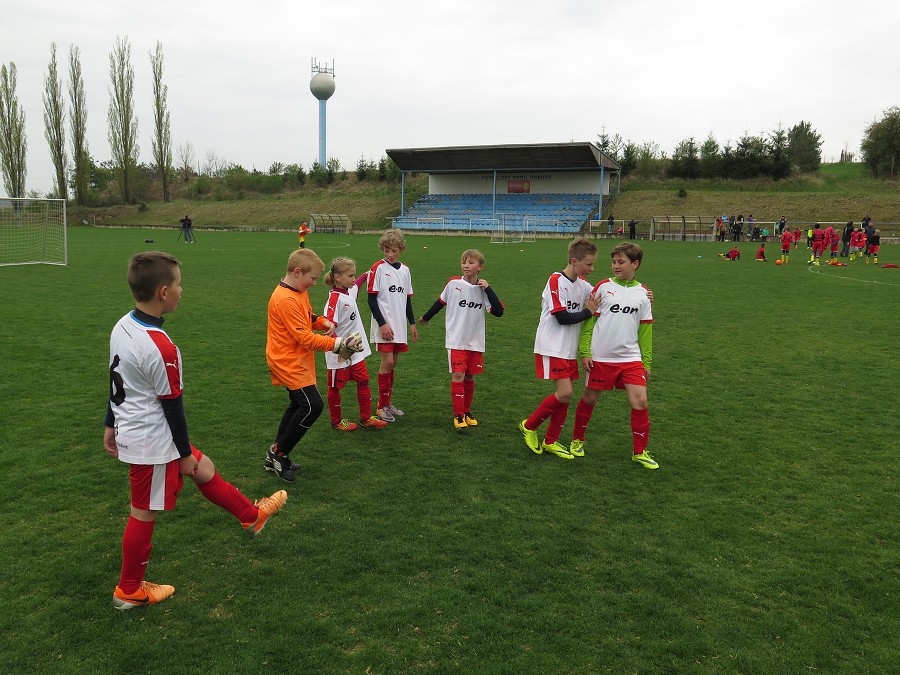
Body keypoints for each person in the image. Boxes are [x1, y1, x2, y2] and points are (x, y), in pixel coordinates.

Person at [104, 251, 288, 610]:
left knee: (205, 469)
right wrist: (182, 452)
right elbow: (172, 407)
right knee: (143, 511)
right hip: (152, 441)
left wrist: (109, 423)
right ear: (162, 292)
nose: (181, 290)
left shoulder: (123, 324)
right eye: (177, 285)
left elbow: (116, 379)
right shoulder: (162, 347)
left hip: (136, 428)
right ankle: (128, 590)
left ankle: (252, 517)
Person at [265, 248, 365, 482]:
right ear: (298, 272)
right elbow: (305, 338)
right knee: (312, 406)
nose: (313, 284)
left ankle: (276, 455)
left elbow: (306, 316)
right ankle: (279, 453)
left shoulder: (297, 291)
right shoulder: (285, 298)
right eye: (312, 279)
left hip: (296, 359)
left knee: (298, 404)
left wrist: (322, 321)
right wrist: (339, 343)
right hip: (286, 361)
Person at [571, 242, 657, 469]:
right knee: (590, 399)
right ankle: (577, 439)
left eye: (621, 262)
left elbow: (646, 330)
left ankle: (640, 451)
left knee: (640, 401)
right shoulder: (602, 287)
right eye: (614, 262)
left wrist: (646, 362)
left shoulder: (643, 295)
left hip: (630, 359)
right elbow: (589, 322)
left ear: (635, 264)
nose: (616, 266)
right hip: (602, 358)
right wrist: (586, 352)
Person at [519, 238, 600, 459]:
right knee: (565, 393)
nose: (591, 269)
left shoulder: (582, 285)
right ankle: (529, 425)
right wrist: (588, 312)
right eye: (588, 265)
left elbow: (603, 298)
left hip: (568, 349)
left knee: (565, 397)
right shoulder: (556, 280)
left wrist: (643, 294)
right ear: (574, 261)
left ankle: (551, 441)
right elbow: (562, 317)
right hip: (552, 346)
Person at [418, 249, 504, 429]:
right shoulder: (453, 283)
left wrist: (488, 288)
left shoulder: (483, 290)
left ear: (480, 267)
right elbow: (441, 302)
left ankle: (466, 411)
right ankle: (458, 415)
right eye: (464, 262)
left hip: (475, 341)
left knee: (470, 376)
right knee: (458, 375)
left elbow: (498, 312)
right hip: (456, 339)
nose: (466, 265)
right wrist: (427, 316)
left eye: (471, 262)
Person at [322, 258, 388, 432]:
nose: (353, 278)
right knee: (335, 387)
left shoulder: (349, 291)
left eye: (354, 275)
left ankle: (366, 418)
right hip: (339, 352)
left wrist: (368, 274)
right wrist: (341, 346)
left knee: (364, 380)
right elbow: (329, 326)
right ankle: (336, 421)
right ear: (337, 277)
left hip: (355, 350)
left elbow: (358, 284)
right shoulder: (335, 299)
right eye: (350, 275)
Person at [367, 228, 418, 422]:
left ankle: (387, 403)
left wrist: (412, 324)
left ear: (401, 249)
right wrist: (382, 324)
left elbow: (407, 300)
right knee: (387, 362)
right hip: (384, 325)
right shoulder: (378, 268)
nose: (390, 254)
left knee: (393, 363)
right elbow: (372, 299)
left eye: (394, 250)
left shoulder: (405, 270)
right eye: (387, 250)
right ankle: (380, 407)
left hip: (399, 325)